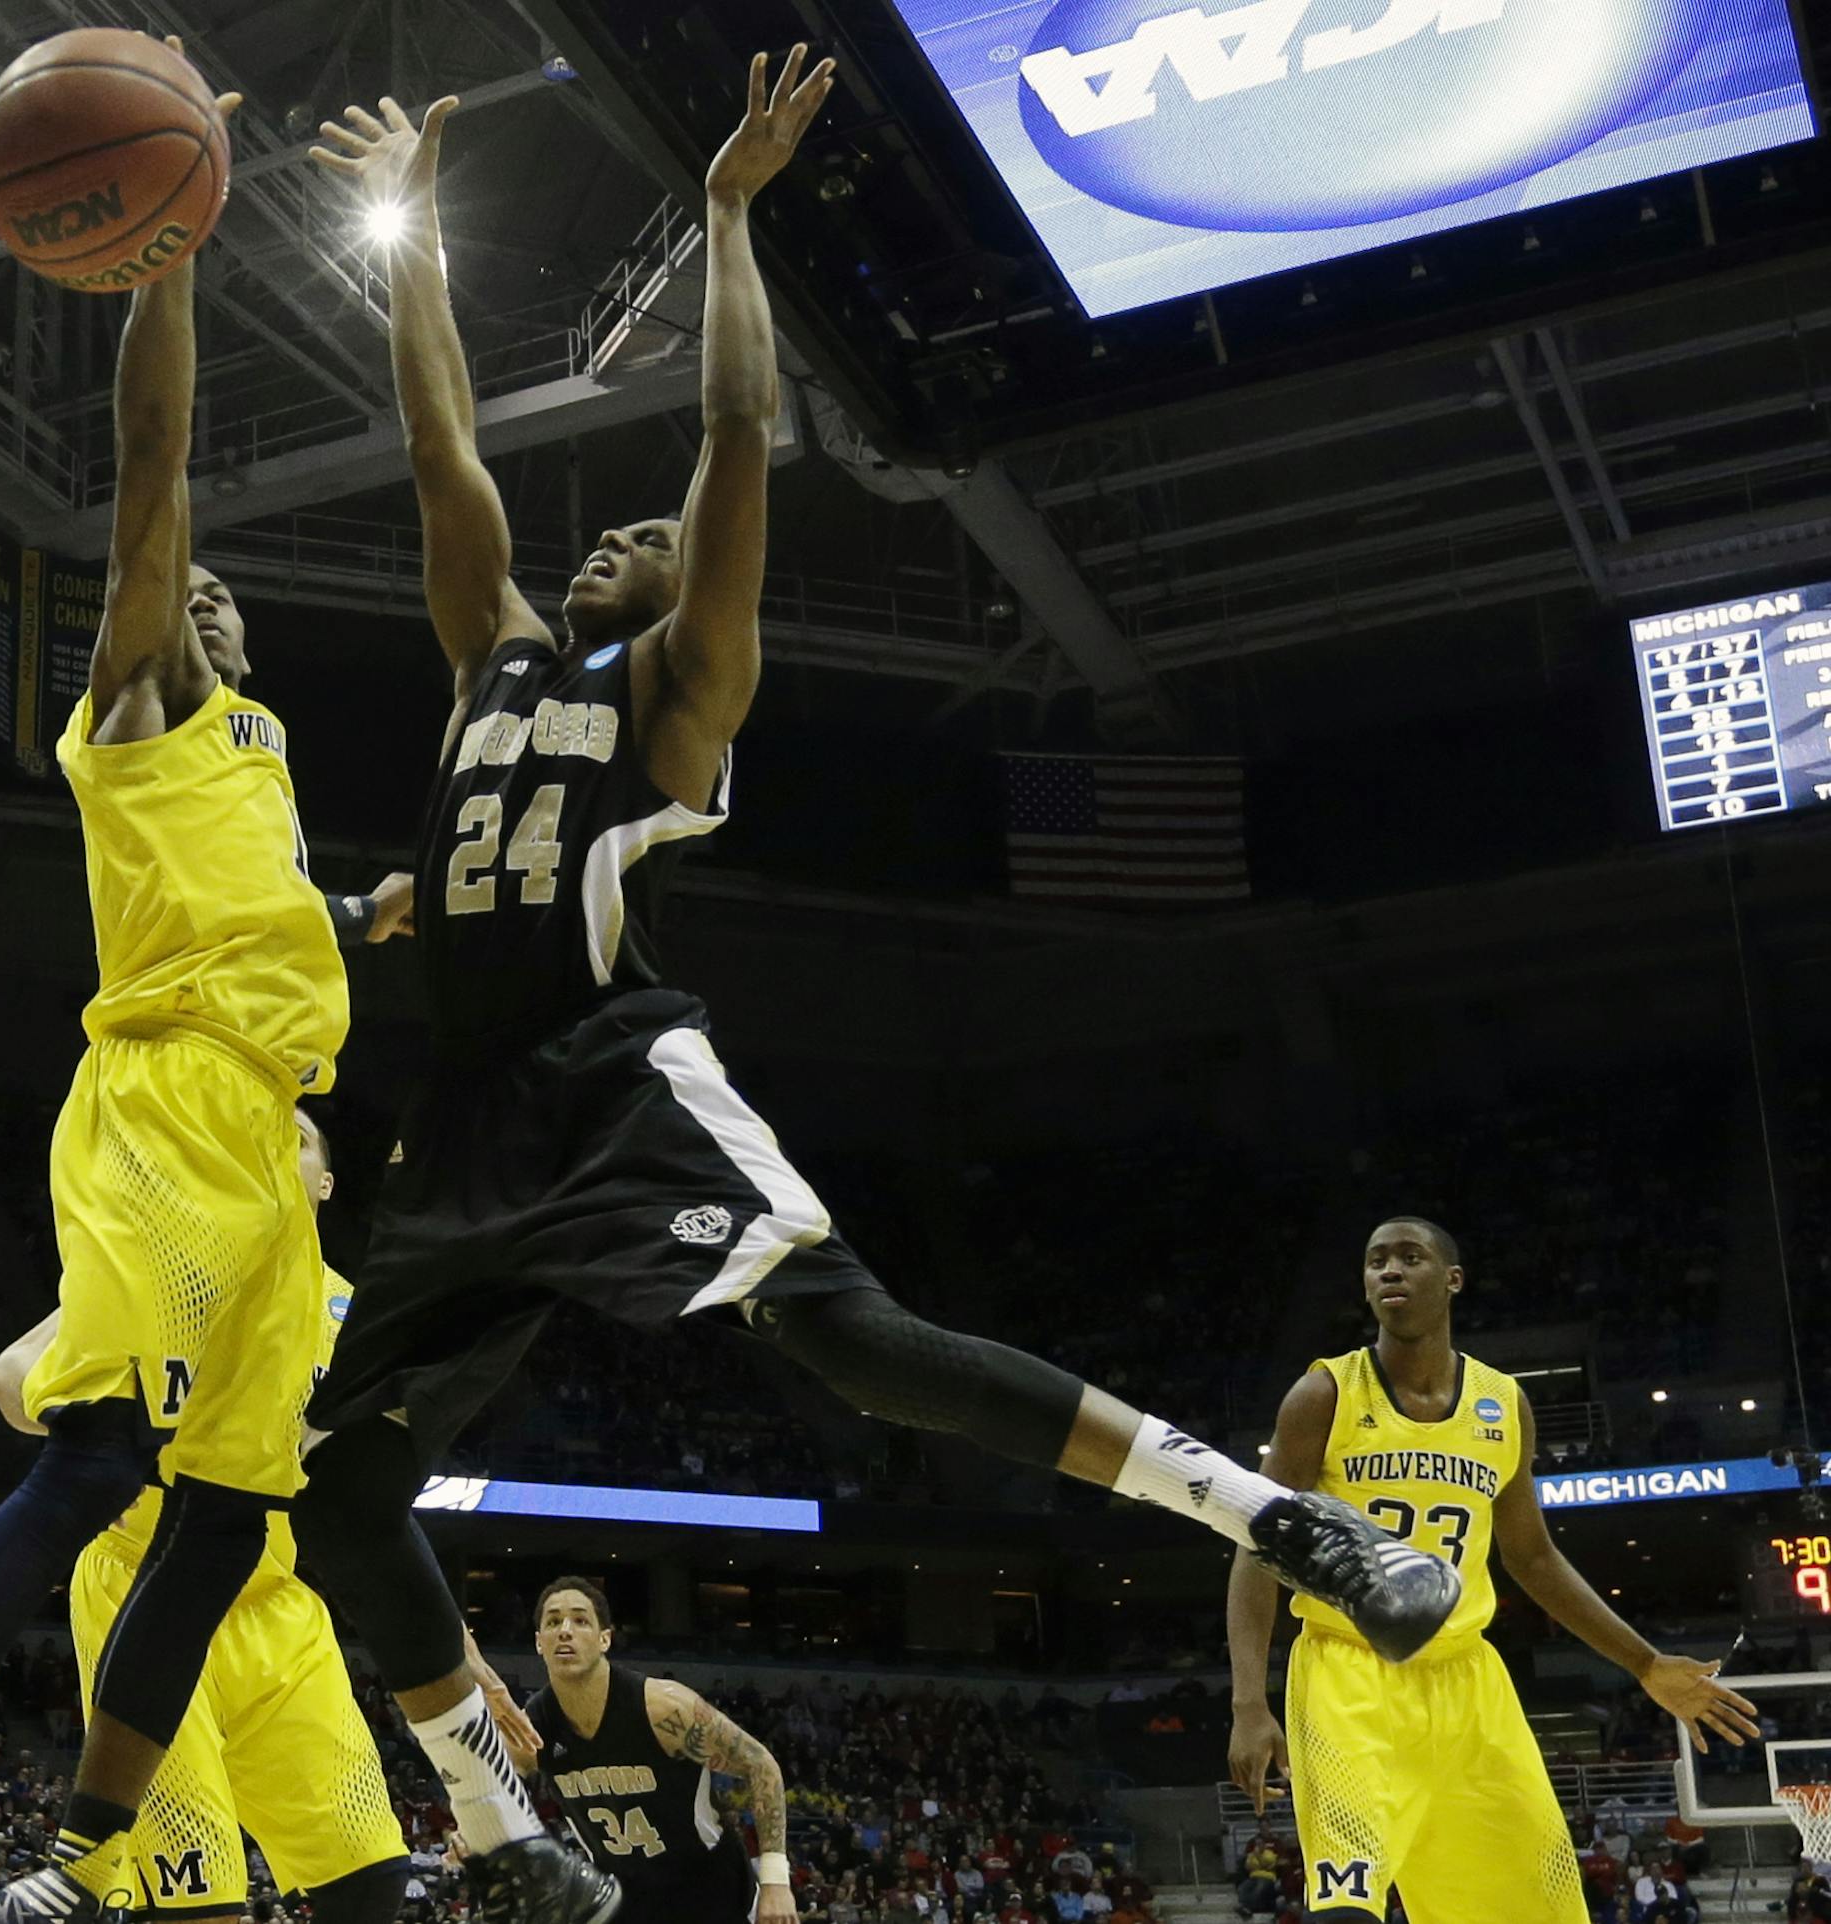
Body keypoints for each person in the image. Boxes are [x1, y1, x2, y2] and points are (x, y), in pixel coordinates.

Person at [295, 46, 1460, 1918]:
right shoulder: (493, 658)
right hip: (467, 1131)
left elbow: (735, 443)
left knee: (861, 1344)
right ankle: (508, 1836)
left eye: (652, 541)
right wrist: (415, 242)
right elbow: (446, 451)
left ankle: (1279, 1515)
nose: (626, 534)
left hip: (614, 1079)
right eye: (619, 533)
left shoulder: (675, 696)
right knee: (333, 1482)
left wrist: (733, 219)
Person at [0, 60, 353, 1924]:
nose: (193, 606)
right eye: (172, 600)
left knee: (230, 1510)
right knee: (103, 1452)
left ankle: (87, 1856)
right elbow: (154, 474)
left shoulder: (257, 755)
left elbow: (303, 917)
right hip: (166, 1103)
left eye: (214, 607)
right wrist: (171, 258)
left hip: (274, 1131)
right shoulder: (136, 710)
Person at [1225, 1217, 1759, 1923]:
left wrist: (1645, 1663)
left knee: (1537, 1903)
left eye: (1409, 1258)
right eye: (1375, 1260)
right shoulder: (1324, 1394)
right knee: (1348, 1901)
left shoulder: (1504, 1404)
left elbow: (1532, 1558)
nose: (1388, 1270)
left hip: (1470, 1682)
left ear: (1451, 1280)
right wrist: (1247, 1703)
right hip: (1347, 1674)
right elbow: (1256, 1543)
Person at [0, 1111, 436, 1924]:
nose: (272, 1145)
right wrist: (110, 1417)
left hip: (276, 1610)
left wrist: (461, 1656)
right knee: (198, 1906)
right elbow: (9, 1378)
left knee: (369, 1881)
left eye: (296, 1139)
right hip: (144, 1590)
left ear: (325, 1184)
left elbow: (374, 1513)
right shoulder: (159, 1278)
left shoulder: (358, 1320)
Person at [509, 1579, 778, 1924]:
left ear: (605, 1638)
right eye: (553, 1621)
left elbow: (761, 1765)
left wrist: (776, 1881)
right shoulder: (533, 1728)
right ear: (538, 1643)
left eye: (580, 1620)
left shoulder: (664, 1708)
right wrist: (472, 1834)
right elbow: (496, 1790)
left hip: (712, 1892)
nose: (565, 1631)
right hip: (627, 1901)